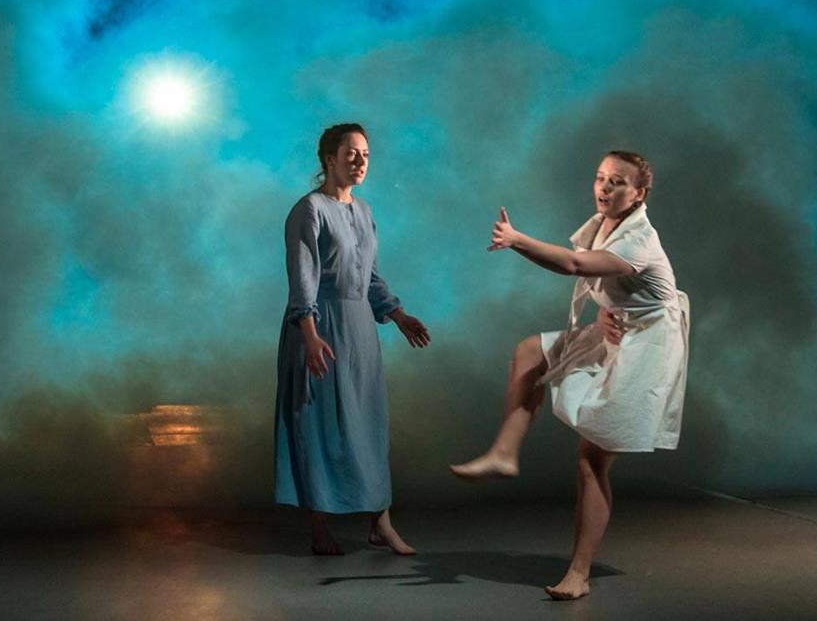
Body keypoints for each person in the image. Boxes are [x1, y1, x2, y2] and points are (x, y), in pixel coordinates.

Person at [450, 150, 689, 600]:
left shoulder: (640, 239)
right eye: (600, 178)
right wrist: (605, 313)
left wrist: (516, 239)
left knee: (591, 458)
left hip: (649, 347)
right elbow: (612, 286)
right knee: (529, 352)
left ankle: (578, 574)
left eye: (617, 182)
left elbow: (577, 266)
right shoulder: (603, 225)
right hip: (620, 329)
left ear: (639, 194)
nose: (604, 187)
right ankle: (504, 452)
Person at [275, 123, 430, 556]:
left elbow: (369, 276)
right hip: (320, 327)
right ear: (329, 159)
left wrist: (397, 315)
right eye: (351, 153)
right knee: (318, 424)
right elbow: (302, 276)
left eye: (366, 154)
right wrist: (309, 334)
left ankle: (381, 523)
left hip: (359, 328)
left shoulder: (363, 211)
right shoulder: (309, 210)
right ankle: (319, 526)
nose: (361, 161)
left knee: (368, 424)